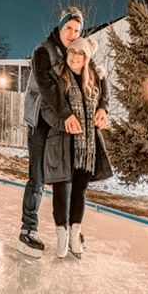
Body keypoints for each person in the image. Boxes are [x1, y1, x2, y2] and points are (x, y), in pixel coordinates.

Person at [16, 7, 84, 258]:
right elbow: (48, 88)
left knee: (62, 177)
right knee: (37, 177)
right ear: (61, 27)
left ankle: (64, 229)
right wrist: (67, 114)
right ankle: (27, 230)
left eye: (77, 31)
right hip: (40, 124)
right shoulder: (43, 51)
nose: (72, 34)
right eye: (69, 28)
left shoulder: (74, 54)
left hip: (60, 124)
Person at [45, 36, 113, 259]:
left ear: (87, 58)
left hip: (87, 147)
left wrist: (103, 110)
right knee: (62, 191)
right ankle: (62, 235)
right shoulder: (58, 76)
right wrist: (63, 123)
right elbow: (47, 109)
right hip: (63, 144)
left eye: (81, 53)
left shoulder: (92, 78)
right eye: (72, 52)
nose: (75, 57)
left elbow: (104, 97)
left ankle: (75, 233)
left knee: (79, 192)